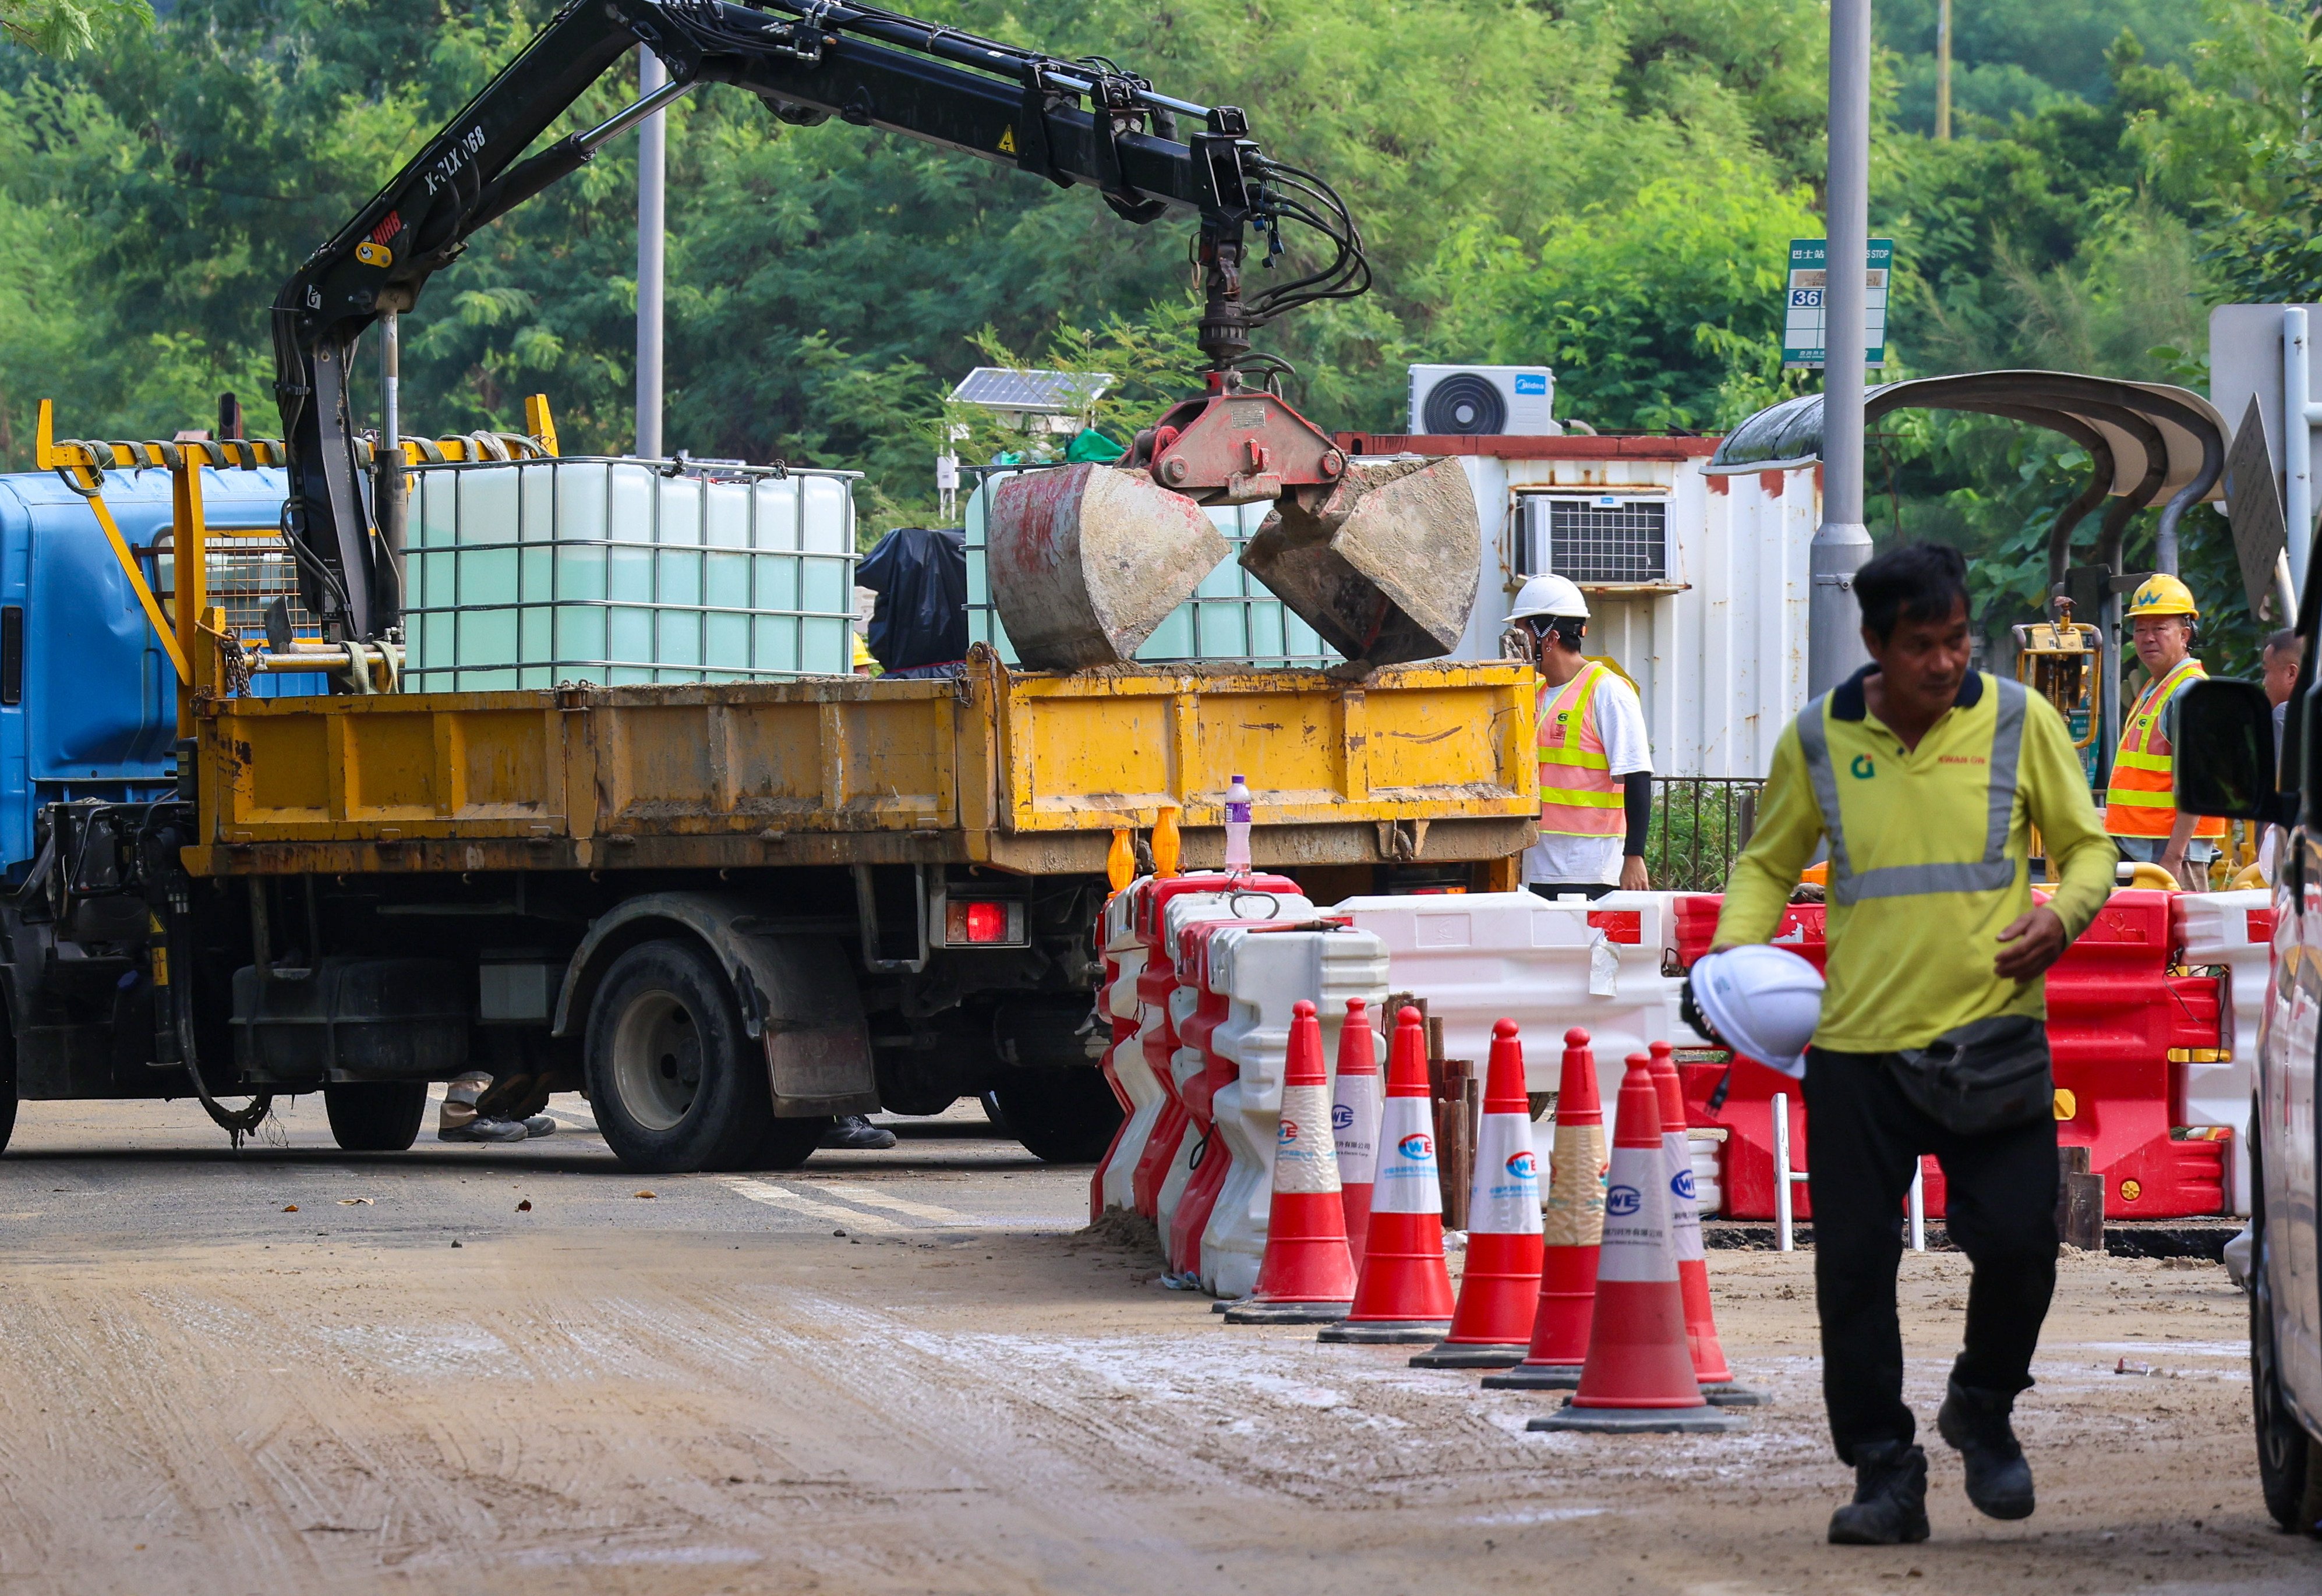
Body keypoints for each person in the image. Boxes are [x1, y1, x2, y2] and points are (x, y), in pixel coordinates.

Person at [1710, 542, 2115, 1545]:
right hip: (1855, 1053)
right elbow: (1766, 865)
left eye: (1957, 639)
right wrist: (1725, 966)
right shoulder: (1816, 741)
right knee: (1851, 1272)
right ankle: (1884, 1469)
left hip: (1994, 1038)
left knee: (2021, 1247)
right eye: (1922, 646)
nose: (1945, 662)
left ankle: (1981, 1401)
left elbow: (2089, 848)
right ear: (1875, 645)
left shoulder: (2018, 723)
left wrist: (2062, 916)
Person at [1505, 574, 1652, 900]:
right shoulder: (1535, 692)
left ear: (1550, 637)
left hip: (1591, 870)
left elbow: (1637, 773)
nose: (1517, 641)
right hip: (1537, 868)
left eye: (1524, 631)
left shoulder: (1607, 691)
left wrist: (1634, 856)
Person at [2103, 574, 2225, 890]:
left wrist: (2173, 857)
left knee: (2180, 938)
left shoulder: (2188, 692)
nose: (2147, 638)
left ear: (2185, 635)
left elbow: (2199, 784)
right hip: (2144, 850)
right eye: (2140, 629)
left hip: (2171, 856)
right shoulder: (2156, 686)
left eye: (2159, 628)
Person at [2258, 628, 2302, 884]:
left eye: (2266, 671)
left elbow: (2279, 788)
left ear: (2291, 673)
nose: (2264, 683)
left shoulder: (2286, 714)